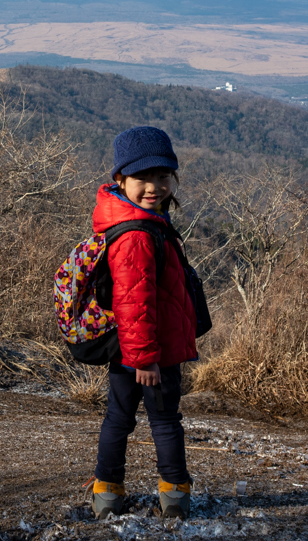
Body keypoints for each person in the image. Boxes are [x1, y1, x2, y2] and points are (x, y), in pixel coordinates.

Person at [90, 126, 198, 520]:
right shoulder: (136, 233)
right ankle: (175, 500)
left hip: (133, 348)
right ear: (120, 179)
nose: (154, 187)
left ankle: (107, 496)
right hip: (148, 353)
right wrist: (147, 359)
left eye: (162, 176)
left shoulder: (141, 220)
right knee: (165, 422)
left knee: (118, 419)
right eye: (142, 178)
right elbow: (133, 302)